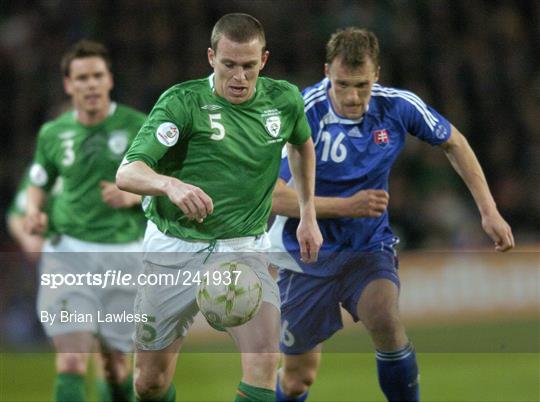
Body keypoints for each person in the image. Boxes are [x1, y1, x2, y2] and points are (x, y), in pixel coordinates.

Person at [269, 27, 514, 402]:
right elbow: (274, 197)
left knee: (385, 318)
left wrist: (489, 211)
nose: (352, 96)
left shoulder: (398, 106)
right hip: (305, 254)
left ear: (377, 74)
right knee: (297, 379)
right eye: (343, 84)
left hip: (368, 246)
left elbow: (454, 141)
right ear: (326, 73)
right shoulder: (304, 113)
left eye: (362, 85)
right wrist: (345, 207)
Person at [116, 13, 322, 402]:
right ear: (211, 57)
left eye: (248, 66)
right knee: (149, 383)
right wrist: (169, 184)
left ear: (264, 60)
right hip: (172, 250)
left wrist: (307, 214)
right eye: (229, 65)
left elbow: (301, 145)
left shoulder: (284, 101)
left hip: (242, 248)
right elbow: (128, 172)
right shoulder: (183, 103)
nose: (239, 77)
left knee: (264, 359)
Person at [25, 39, 147, 402]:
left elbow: (164, 186)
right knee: (73, 358)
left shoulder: (138, 127)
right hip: (67, 253)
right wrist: (34, 210)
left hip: (123, 253)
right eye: (81, 78)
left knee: (115, 368)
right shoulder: (52, 134)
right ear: (69, 85)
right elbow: (38, 183)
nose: (90, 84)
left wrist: (133, 195)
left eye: (97, 76)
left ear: (110, 80)